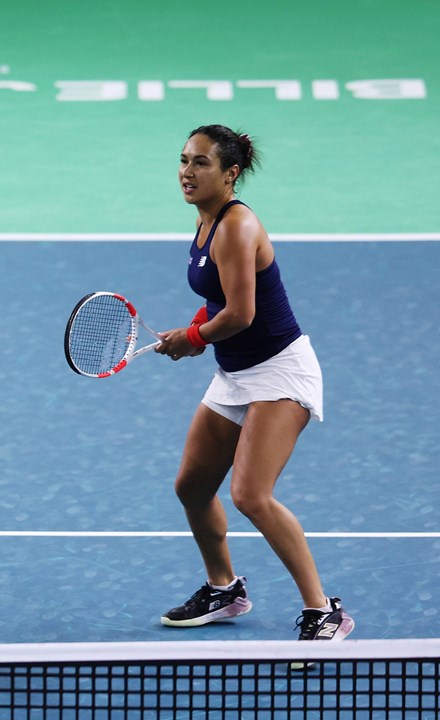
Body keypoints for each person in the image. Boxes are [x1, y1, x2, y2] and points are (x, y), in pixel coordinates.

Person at [153, 125, 353, 648]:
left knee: (249, 494)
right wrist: (197, 330)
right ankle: (225, 589)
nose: (187, 172)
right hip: (237, 373)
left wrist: (191, 337)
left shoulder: (237, 226)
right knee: (192, 488)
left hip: (280, 370)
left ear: (231, 173)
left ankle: (324, 610)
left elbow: (242, 313)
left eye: (201, 163)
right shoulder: (204, 222)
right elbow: (221, 299)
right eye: (183, 160)